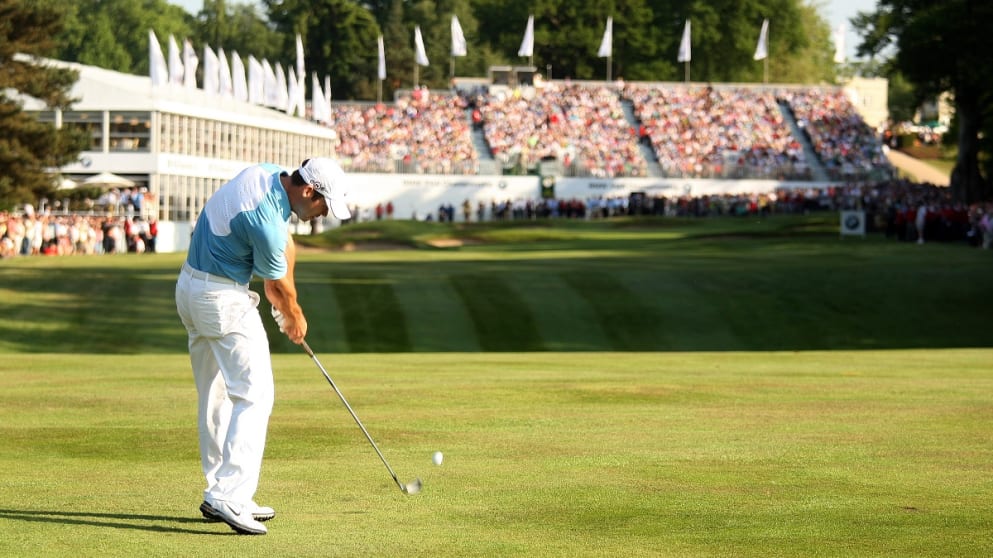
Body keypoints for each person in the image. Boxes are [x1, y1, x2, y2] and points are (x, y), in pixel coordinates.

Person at [174, 158, 351, 535]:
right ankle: (231, 495)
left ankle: (221, 489)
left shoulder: (267, 174)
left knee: (216, 394)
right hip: (221, 299)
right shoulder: (268, 223)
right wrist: (295, 317)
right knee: (255, 394)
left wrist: (290, 301)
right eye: (323, 205)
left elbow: (285, 248)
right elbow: (276, 288)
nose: (322, 214)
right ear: (308, 192)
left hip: (189, 288)